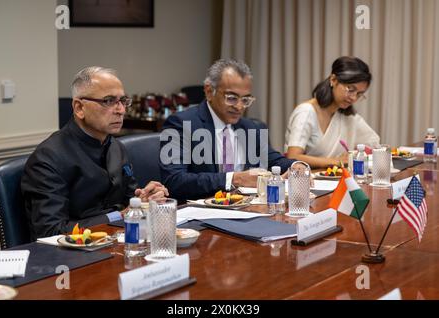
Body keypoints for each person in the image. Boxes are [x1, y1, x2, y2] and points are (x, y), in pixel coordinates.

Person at [21, 66, 168, 239]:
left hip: (116, 243)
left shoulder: (116, 146)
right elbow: (51, 231)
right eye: (108, 101)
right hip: (71, 258)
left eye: (123, 101)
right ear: (79, 108)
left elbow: (130, 199)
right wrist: (119, 216)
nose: (120, 110)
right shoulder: (48, 158)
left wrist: (146, 199)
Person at [159, 59, 295, 201]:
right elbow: (174, 180)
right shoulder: (180, 124)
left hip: (247, 208)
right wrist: (234, 179)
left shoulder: (249, 126)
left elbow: (274, 159)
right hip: (200, 213)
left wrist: (297, 166)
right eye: (231, 98)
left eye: (245, 100)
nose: (239, 106)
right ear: (209, 91)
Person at [284, 56, 380, 168]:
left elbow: (374, 143)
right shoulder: (306, 112)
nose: (354, 98)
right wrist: (337, 161)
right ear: (333, 80)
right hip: (305, 180)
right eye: (351, 89)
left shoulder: (347, 117)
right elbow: (293, 157)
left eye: (359, 94)